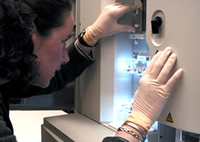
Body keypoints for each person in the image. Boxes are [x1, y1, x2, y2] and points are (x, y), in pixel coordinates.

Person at [0, 0, 183, 142]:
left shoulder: (6, 76)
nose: (65, 57)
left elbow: (49, 77)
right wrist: (137, 123)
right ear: (30, 37)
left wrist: (90, 37)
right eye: (64, 41)